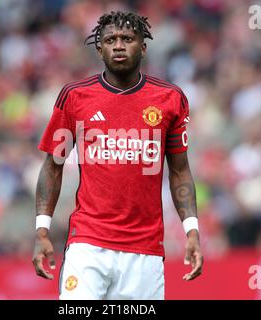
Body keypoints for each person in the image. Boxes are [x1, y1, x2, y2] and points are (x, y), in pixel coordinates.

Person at [32, 11, 203, 300]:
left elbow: (179, 170)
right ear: (99, 49)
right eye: (110, 40)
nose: (119, 45)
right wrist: (41, 231)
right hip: (88, 245)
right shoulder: (74, 97)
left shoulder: (170, 99)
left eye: (127, 39)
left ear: (143, 46)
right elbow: (53, 166)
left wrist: (192, 231)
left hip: (144, 251)